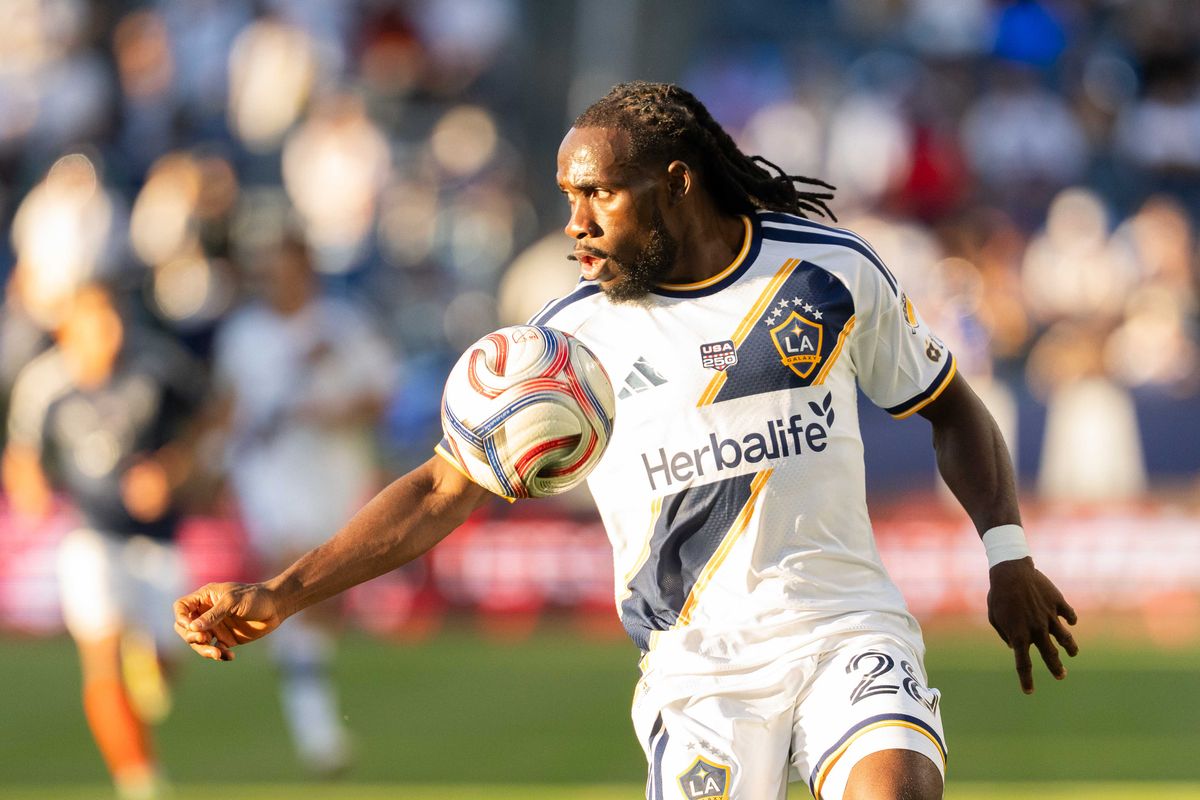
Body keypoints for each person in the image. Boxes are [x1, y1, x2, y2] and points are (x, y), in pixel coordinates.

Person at [175, 82, 1078, 800]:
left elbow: (950, 407)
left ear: (676, 182)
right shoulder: (564, 347)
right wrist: (282, 593)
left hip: (846, 629)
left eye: (599, 193)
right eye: (567, 195)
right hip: (699, 677)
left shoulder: (828, 273)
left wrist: (1008, 555)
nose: (575, 220)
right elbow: (443, 486)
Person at [4, 283, 204, 799]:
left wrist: (170, 470)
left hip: (159, 541)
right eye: (96, 324)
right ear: (69, 330)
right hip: (90, 536)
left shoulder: (158, 367)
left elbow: (208, 421)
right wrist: (31, 489)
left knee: (166, 668)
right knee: (101, 652)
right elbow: (22, 453)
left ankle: (152, 661)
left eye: (115, 321)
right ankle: (138, 779)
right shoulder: (45, 383)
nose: (109, 335)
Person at [207, 233, 396, 776]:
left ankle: (304, 671)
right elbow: (230, 403)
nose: (277, 281)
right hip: (268, 470)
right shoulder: (245, 333)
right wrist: (214, 462)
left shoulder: (343, 324)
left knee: (323, 586)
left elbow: (381, 394)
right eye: (269, 270)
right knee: (287, 568)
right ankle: (316, 732)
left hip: (333, 469)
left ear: (307, 270)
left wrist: (335, 411)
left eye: (287, 269)